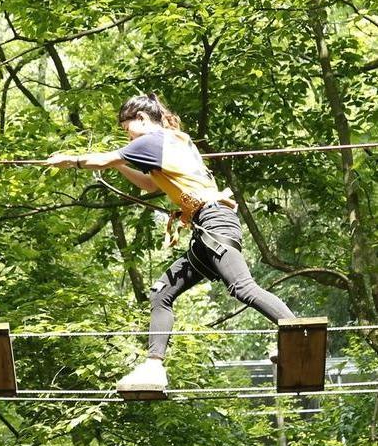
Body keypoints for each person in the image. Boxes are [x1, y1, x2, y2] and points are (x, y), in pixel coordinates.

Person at [47, 93, 295, 392]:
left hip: (215, 222)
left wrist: (72, 161)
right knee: (162, 294)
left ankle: (296, 333)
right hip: (205, 230)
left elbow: (104, 158)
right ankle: (153, 366)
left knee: (242, 287)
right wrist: (117, 167)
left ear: (141, 119)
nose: (127, 135)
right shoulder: (170, 143)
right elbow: (150, 184)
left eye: (127, 129)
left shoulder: (154, 139)